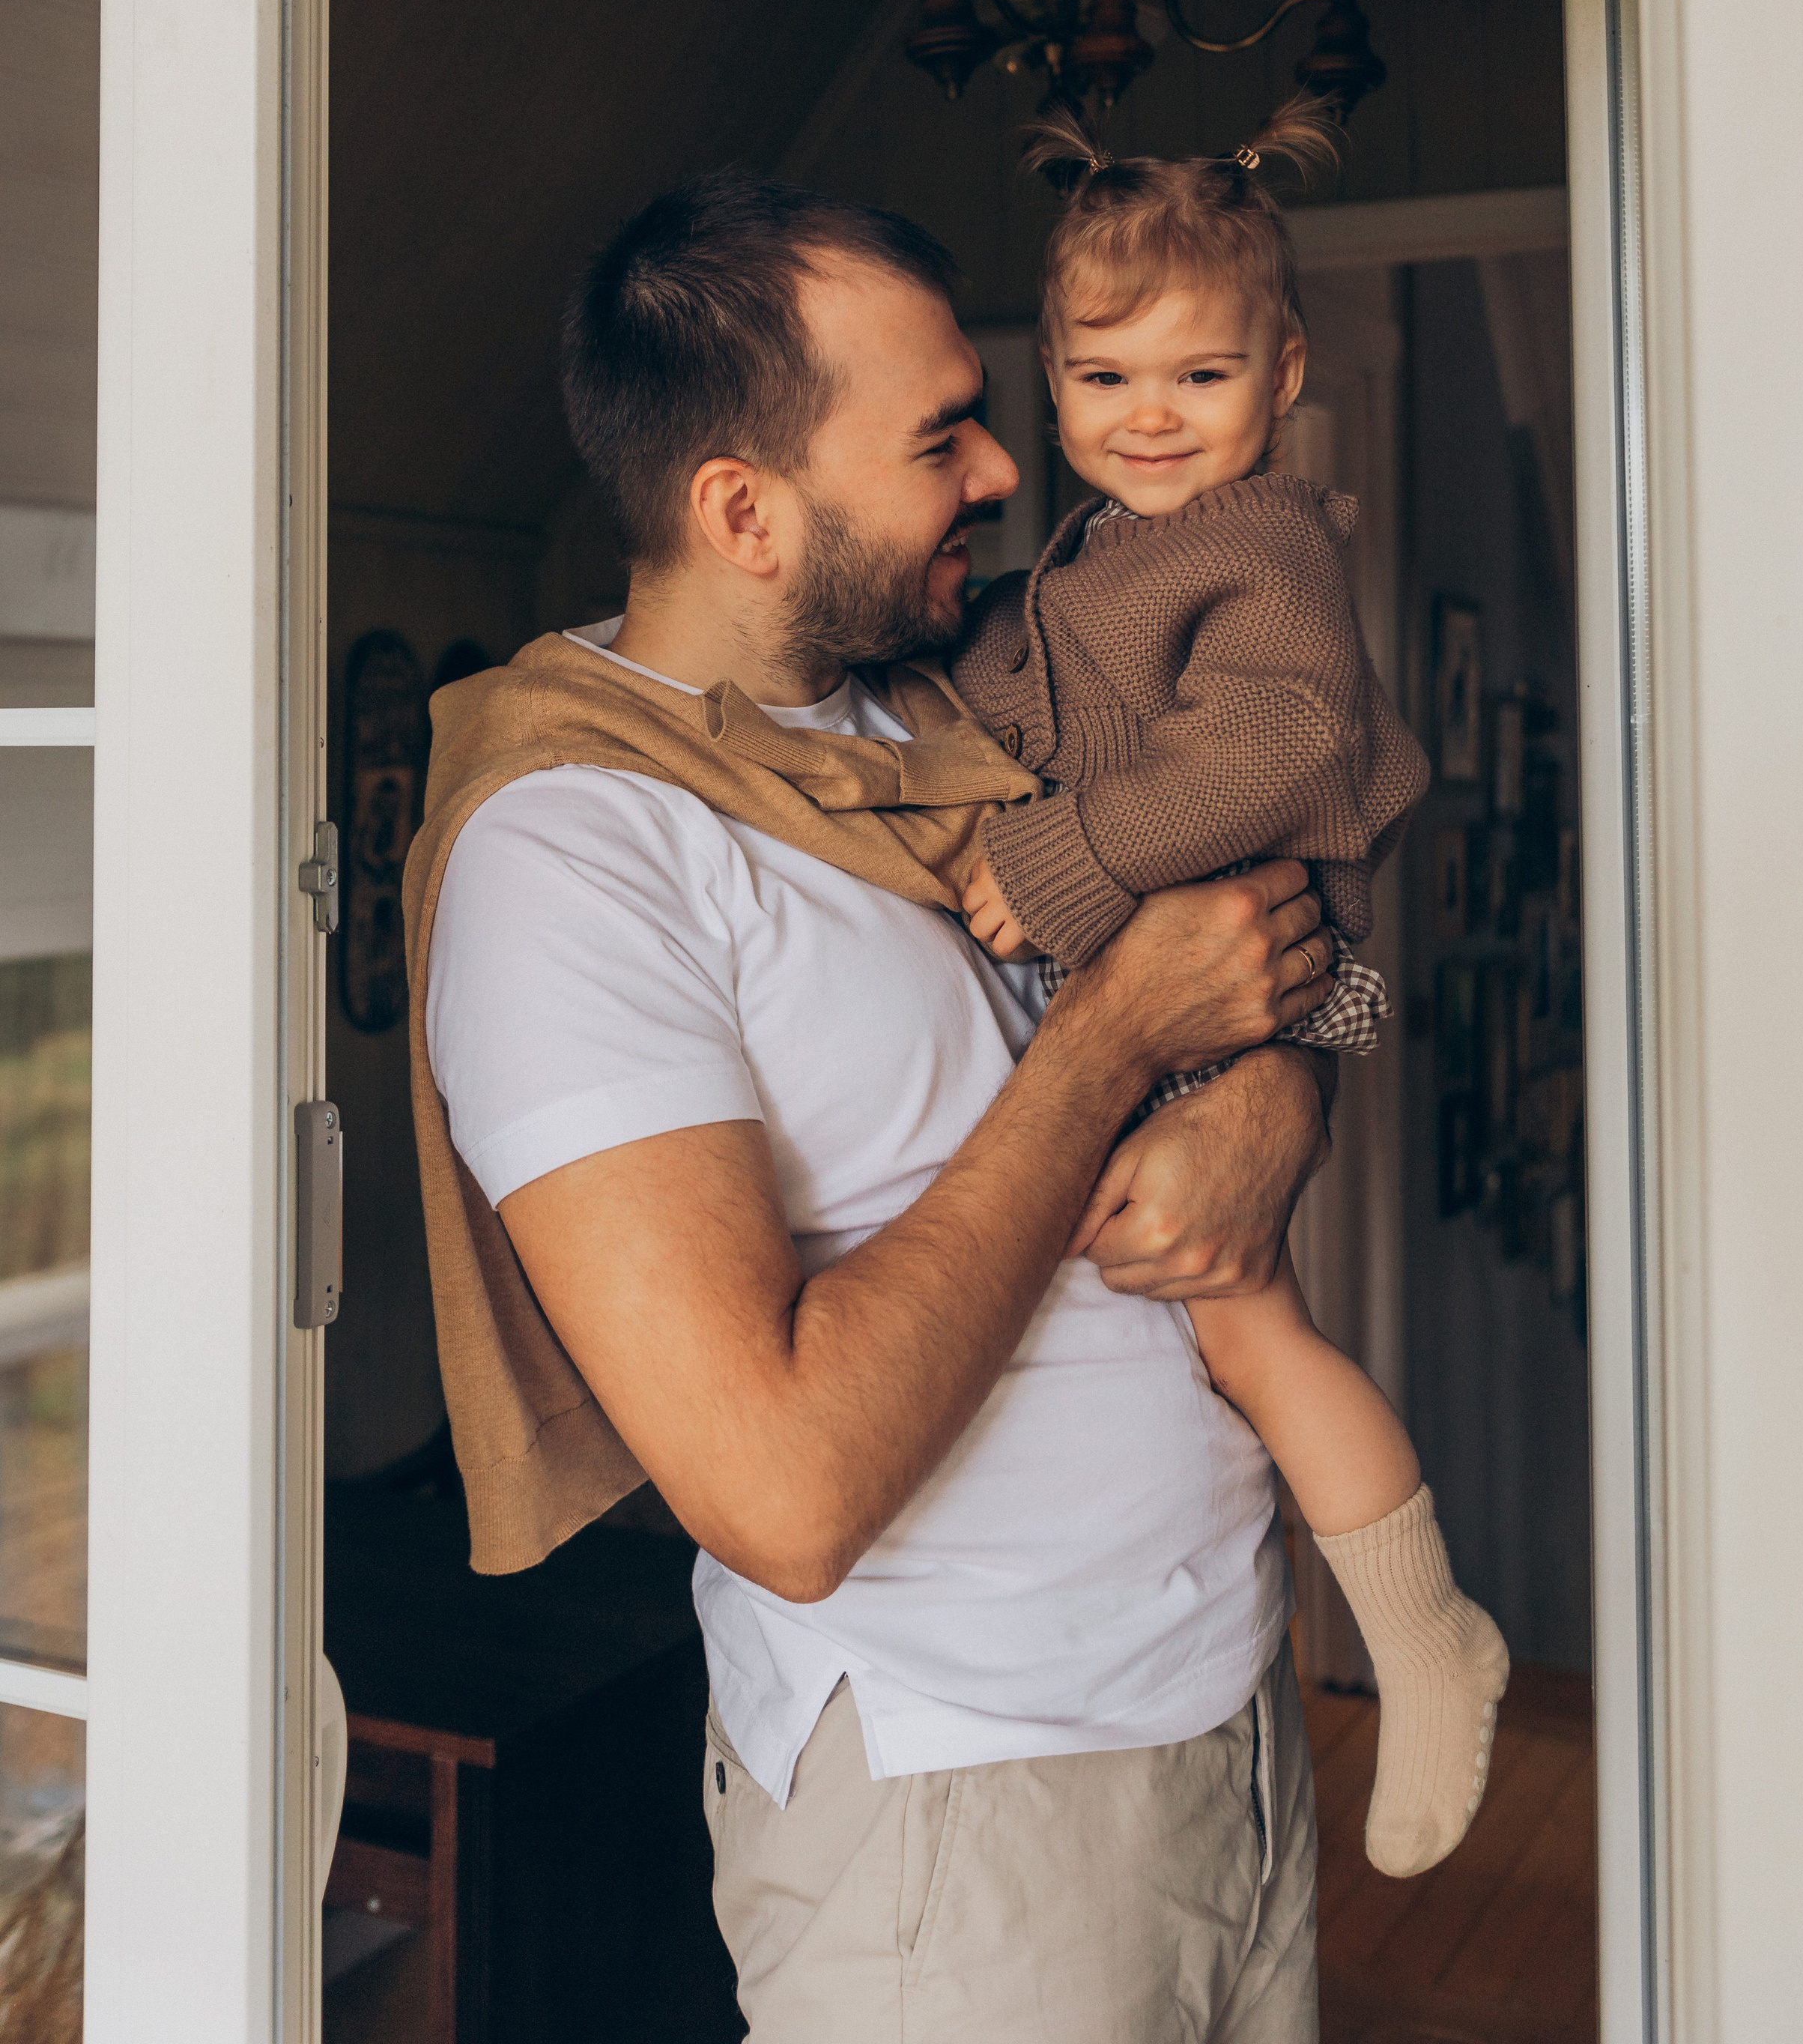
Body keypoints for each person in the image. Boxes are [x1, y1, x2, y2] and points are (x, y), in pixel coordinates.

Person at [407, 170, 1343, 2043]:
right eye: (940, 437)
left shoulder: (961, 703)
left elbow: (1303, 933)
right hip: (963, 1824)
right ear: (741, 510)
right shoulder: (574, 852)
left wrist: (1287, 1094)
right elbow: (781, 1493)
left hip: (1226, 1711)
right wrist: (1105, 1051)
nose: (1005, 470)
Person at [951, 104, 1509, 1878]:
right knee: (1204, 1322)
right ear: (1051, 388)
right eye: (1108, 379)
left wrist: (1054, 863)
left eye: (1199, 373)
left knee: (1253, 1323)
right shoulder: (1099, 555)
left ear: (1279, 375)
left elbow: (1274, 744)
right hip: (1207, 975)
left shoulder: (1258, 546)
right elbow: (1046, 689)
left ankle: (1425, 1631)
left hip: (1264, 978)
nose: (1152, 416)